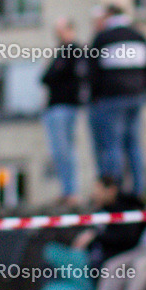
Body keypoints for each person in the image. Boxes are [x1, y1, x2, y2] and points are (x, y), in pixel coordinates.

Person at [31, 175, 144, 290]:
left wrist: (95, 237)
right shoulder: (101, 209)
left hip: (119, 255)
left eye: (98, 191)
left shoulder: (127, 208)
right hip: (96, 258)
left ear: (111, 190)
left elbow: (125, 239)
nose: (95, 194)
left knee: (111, 268)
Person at [87, 3, 146, 196]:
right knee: (133, 144)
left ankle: (114, 192)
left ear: (109, 16)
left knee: (112, 144)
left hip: (111, 98)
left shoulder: (103, 37)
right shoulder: (139, 36)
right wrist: (142, 88)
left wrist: (96, 96)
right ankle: (139, 190)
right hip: (136, 96)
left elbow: (93, 71)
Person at [40, 17, 87, 208]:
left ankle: (71, 191)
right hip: (56, 107)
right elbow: (46, 77)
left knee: (65, 151)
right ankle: (67, 191)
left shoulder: (73, 51)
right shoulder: (62, 51)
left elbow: (52, 76)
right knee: (59, 152)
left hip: (65, 106)